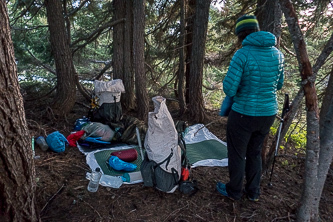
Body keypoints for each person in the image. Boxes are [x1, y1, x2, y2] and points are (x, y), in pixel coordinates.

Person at [216, 15, 284, 201]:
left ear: (240, 34)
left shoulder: (242, 54)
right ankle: (253, 192)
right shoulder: (277, 54)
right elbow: (278, 85)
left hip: (243, 114)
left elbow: (229, 88)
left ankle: (234, 191)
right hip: (268, 113)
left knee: (237, 154)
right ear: (256, 29)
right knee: (254, 153)